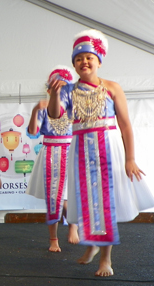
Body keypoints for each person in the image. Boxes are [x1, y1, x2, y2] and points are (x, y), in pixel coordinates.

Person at [47, 29, 154, 276]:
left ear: (99, 60)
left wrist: (130, 159)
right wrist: (54, 95)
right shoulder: (67, 90)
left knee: (106, 203)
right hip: (81, 148)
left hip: (108, 147)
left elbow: (125, 125)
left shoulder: (113, 87)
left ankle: (106, 258)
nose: (84, 62)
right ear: (74, 64)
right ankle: (92, 246)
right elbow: (54, 116)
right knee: (86, 201)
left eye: (88, 57)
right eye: (78, 59)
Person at [26, 66, 79, 252]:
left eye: (64, 88)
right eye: (56, 87)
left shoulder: (74, 108)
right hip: (51, 153)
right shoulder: (44, 108)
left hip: (71, 151)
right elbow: (33, 132)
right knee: (53, 197)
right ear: (49, 89)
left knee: (70, 195)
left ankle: (72, 226)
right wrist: (34, 110)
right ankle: (53, 239)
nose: (60, 91)